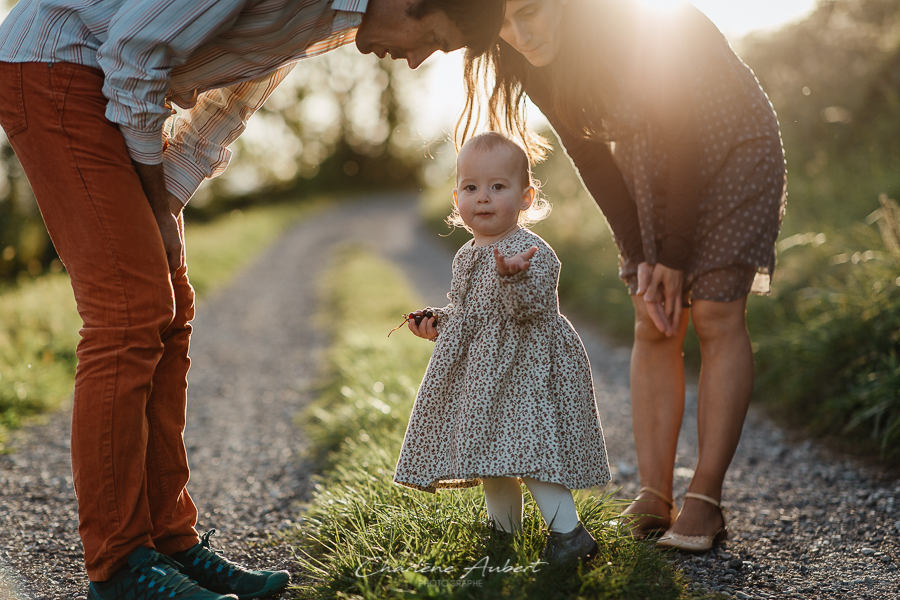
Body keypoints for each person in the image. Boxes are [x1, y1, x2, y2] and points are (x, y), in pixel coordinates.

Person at [0, 0, 504, 598]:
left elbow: (225, 106)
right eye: (433, 41)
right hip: (57, 66)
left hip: (104, 80)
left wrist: (164, 206)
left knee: (170, 308)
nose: (418, 62)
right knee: (130, 311)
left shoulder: (325, 22)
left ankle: (169, 542)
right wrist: (151, 201)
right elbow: (134, 50)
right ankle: (118, 564)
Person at [457, 0, 786, 552]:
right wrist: (639, 255)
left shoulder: (629, 25)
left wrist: (674, 255)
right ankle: (656, 495)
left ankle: (704, 499)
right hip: (652, 157)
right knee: (652, 316)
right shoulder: (531, 61)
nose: (518, 34)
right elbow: (588, 152)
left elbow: (682, 128)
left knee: (711, 311)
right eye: (503, 25)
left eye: (530, 12)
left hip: (733, 143)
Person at [393, 132, 610, 564]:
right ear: (457, 199)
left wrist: (513, 277)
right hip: (484, 375)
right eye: (472, 188)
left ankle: (570, 536)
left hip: (527, 370)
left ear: (526, 197)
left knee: (528, 452)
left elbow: (530, 309)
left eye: (498, 187)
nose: (484, 198)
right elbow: (467, 311)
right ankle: (503, 538)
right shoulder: (466, 254)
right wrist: (439, 322)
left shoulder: (532, 252)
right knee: (490, 455)